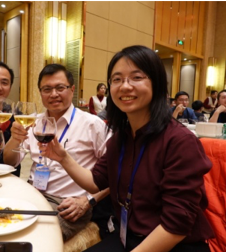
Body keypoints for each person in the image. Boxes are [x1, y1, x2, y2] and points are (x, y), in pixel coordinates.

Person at [39, 45, 214, 252]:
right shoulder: (121, 137)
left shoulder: (179, 141)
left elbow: (176, 226)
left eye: (136, 77)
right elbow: (96, 182)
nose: (125, 86)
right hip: (128, 237)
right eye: (117, 79)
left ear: (156, 83)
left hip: (172, 244)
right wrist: (63, 158)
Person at [3, 64, 113, 241]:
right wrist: (14, 139)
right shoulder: (34, 122)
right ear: (40, 92)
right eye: (47, 89)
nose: (53, 94)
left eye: (60, 88)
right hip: (34, 195)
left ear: (72, 90)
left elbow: (116, 173)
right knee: (0, 224)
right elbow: (9, 163)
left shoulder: (92, 124)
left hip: (68, 204)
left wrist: (87, 201)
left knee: (33, 238)